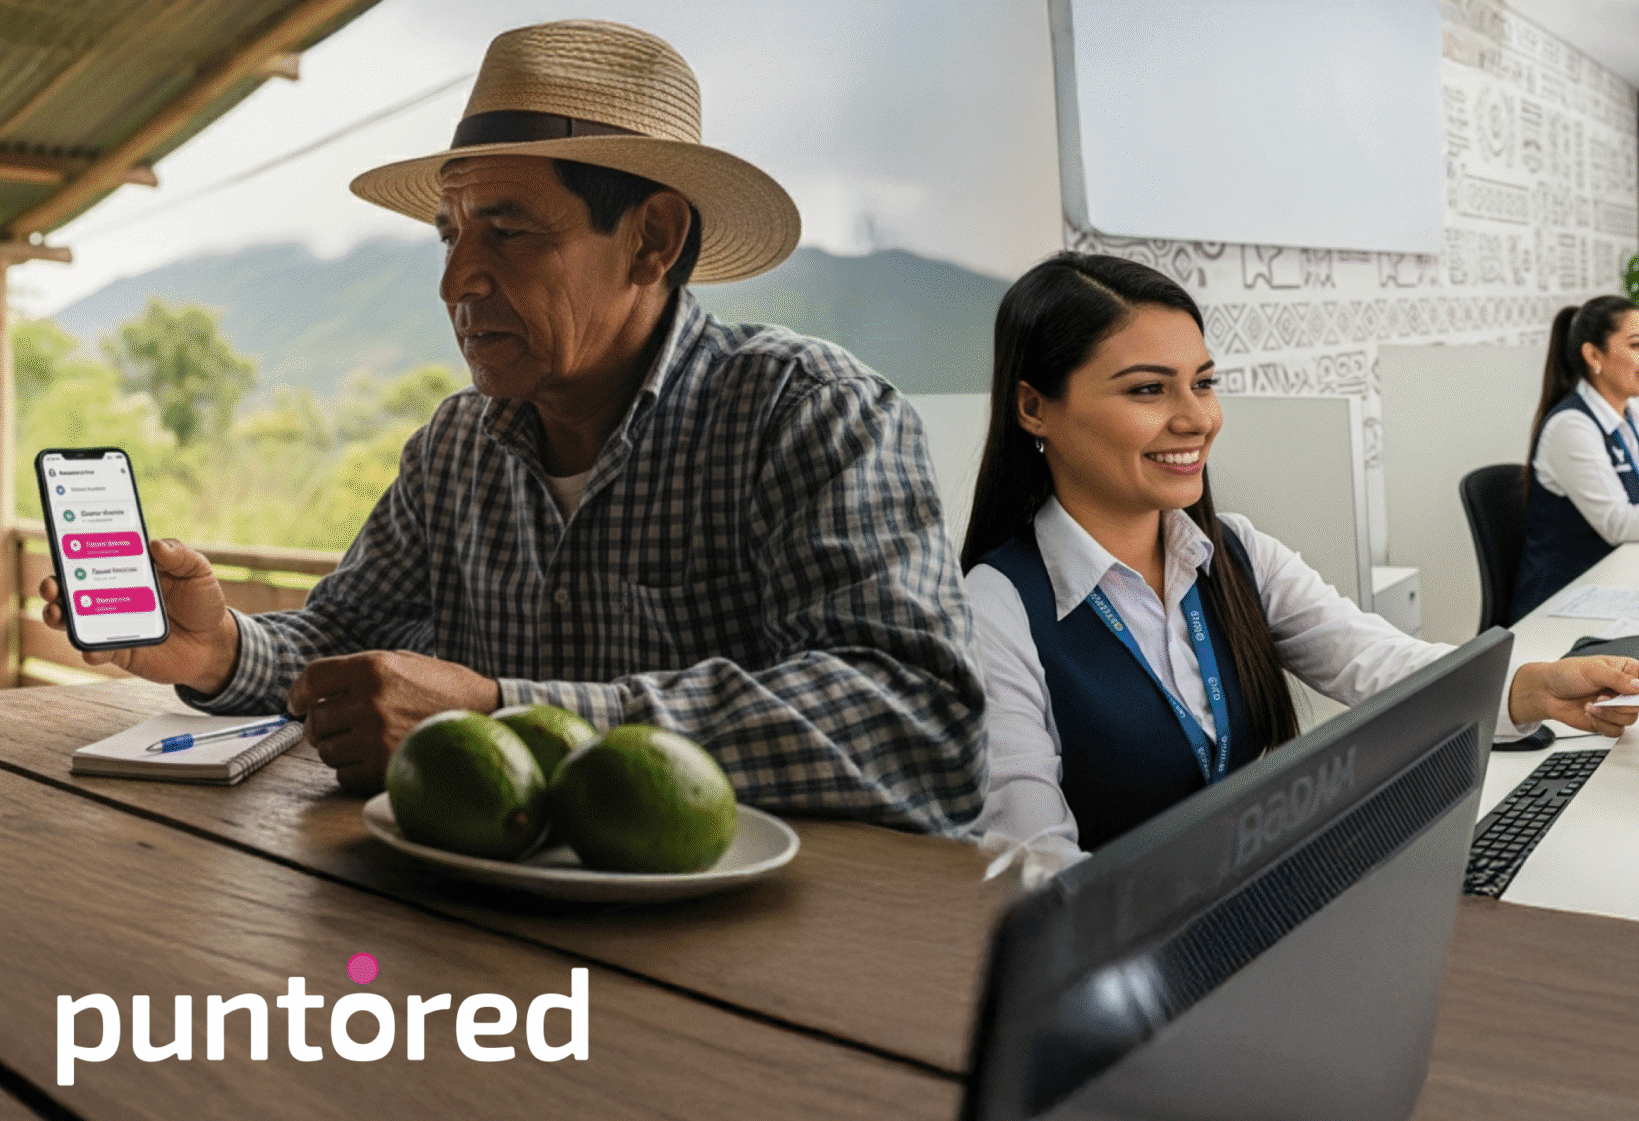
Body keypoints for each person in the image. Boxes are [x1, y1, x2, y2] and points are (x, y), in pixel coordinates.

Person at [35, 21, 986, 832]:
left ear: (652, 237)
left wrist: (503, 710)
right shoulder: (457, 447)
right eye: (451, 235)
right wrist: (220, 649)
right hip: (472, 940)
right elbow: (339, 637)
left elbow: (918, 724)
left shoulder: (805, 413)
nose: (457, 283)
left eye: (509, 230)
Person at [960, 253, 1639, 850]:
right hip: (1131, 978)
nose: (1197, 418)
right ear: (1033, 407)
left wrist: (1534, 685)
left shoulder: (1234, 551)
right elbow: (1034, 870)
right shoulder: (996, 610)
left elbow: (1375, 660)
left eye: (1203, 382)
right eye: (1148, 388)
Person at [1515, 296, 1639, 619]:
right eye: (1637, 345)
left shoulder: (1632, 416)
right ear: (1594, 354)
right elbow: (1618, 522)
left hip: (1618, 584)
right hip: (1562, 605)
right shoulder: (1571, 426)